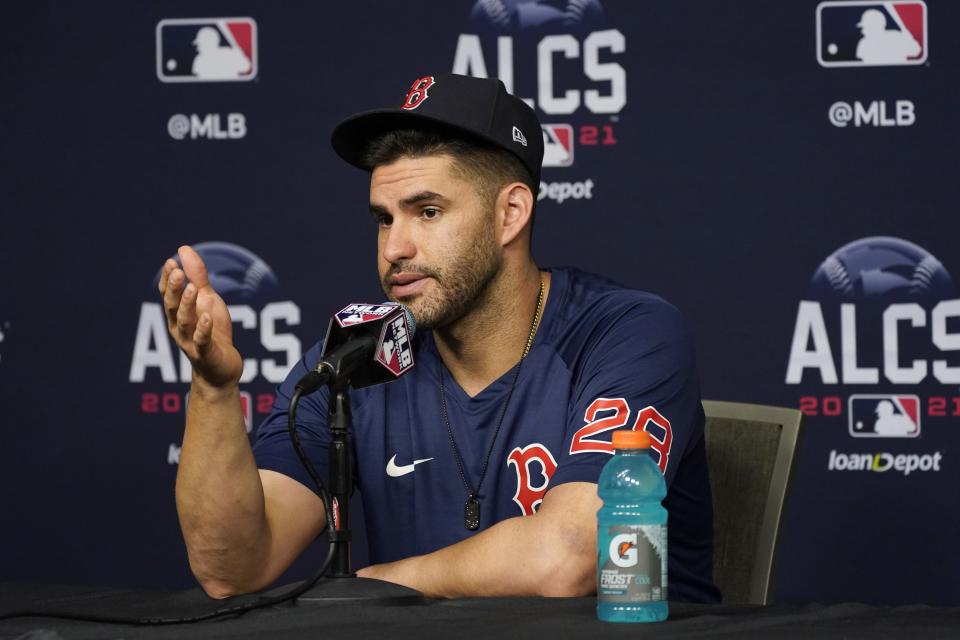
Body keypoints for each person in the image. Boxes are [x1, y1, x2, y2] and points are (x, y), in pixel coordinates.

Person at [160, 72, 719, 602]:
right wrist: (213, 387)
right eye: (384, 218)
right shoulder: (359, 356)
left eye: (427, 211)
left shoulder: (628, 334)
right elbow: (232, 569)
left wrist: (373, 588)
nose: (394, 248)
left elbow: (571, 555)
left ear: (510, 215)